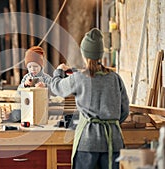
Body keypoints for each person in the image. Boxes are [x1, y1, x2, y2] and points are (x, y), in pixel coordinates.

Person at [50, 28, 129, 169]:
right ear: (100, 54)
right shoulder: (115, 78)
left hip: (88, 143)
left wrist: (59, 71)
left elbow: (56, 88)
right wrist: (110, 122)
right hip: (113, 142)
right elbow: (124, 111)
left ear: (83, 53)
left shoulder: (79, 78)